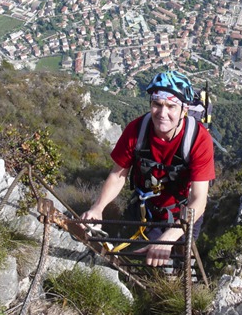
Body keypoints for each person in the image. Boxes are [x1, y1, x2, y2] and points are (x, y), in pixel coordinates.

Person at [81, 70, 215, 267]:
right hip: (147, 208)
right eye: (157, 104)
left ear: (184, 110)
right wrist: (98, 208)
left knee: (177, 265)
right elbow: (118, 176)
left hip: (184, 214)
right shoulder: (137, 131)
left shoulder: (198, 139)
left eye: (171, 106)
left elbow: (199, 199)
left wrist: (169, 237)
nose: (162, 113)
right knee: (135, 260)